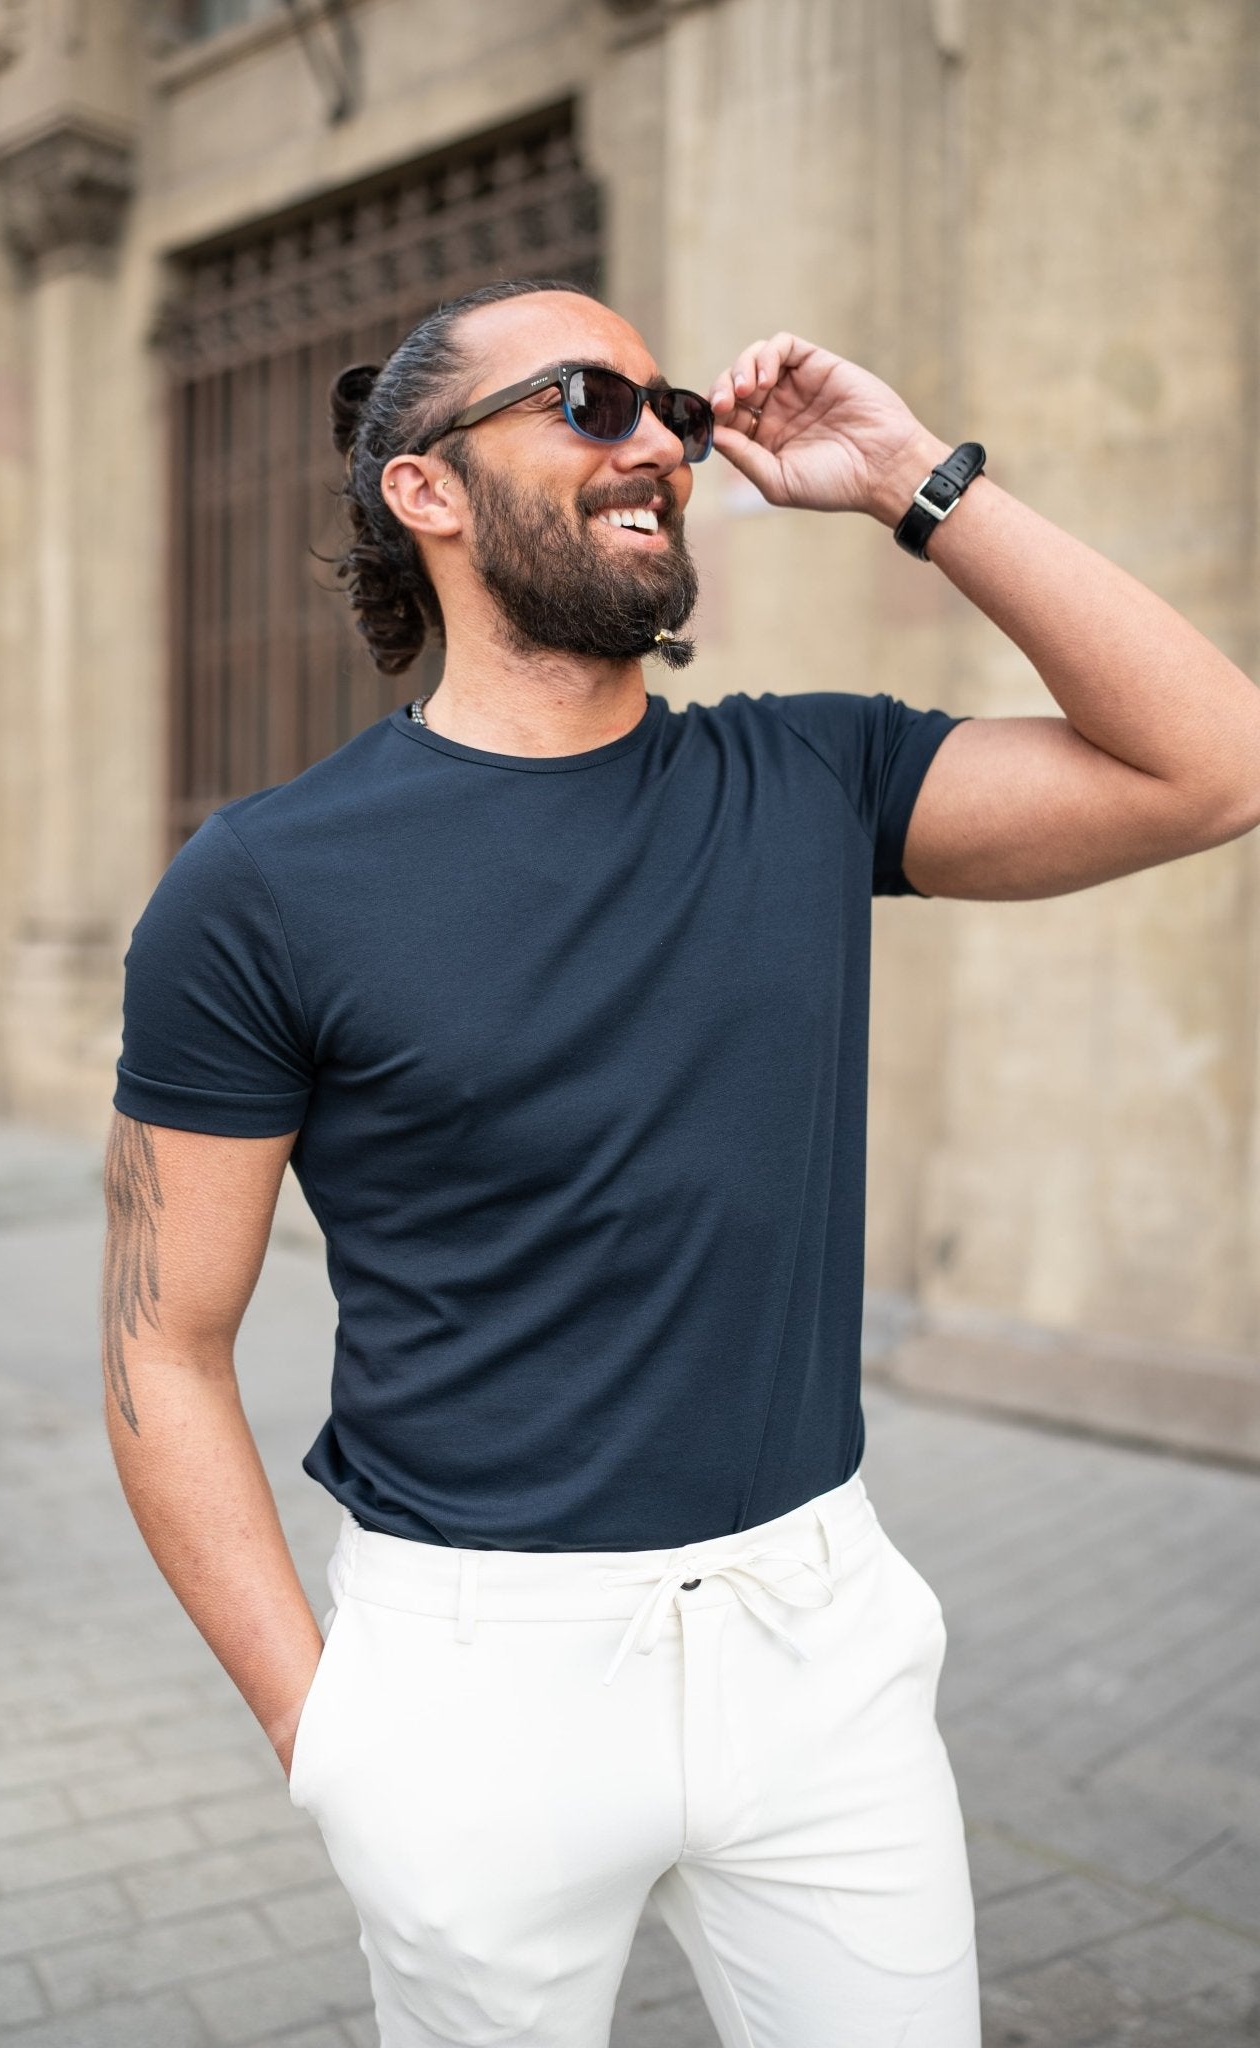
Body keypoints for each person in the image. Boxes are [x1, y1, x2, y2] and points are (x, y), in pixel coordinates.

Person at [102, 276, 1260, 2048]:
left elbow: (1214, 765)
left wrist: (911, 487)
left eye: (672, 409)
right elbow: (160, 1345)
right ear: (426, 489)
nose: (656, 441)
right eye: (585, 400)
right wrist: (321, 1734)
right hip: (473, 1674)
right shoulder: (260, 885)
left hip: (824, 1644)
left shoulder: (811, 776)